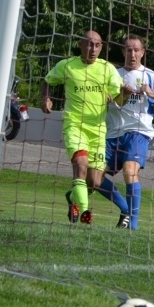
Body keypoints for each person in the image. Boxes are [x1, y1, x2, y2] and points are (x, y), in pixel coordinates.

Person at [97, 34, 154, 230]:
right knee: (93, 178)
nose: (132, 54)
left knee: (129, 171)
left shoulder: (151, 76)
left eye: (136, 50)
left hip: (138, 133)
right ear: (123, 51)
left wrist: (151, 93)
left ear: (143, 52)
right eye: (128, 49)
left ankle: (133, 226)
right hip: (112, 135)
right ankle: (126, 208)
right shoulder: (112, 74)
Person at [42, 31, 123, 224]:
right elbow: (47, 81)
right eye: (89, 44)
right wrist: (46, 98)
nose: (92, 49)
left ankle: (73, 198)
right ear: (80, 44)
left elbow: (119, 101)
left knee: (94, 181)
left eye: (97, 45)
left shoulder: (108, 69)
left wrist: (124, 94)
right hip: (74, 125)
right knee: (80, 165)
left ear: (102, 47)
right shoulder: (67, 65)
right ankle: (86, 214)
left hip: (98, 129)